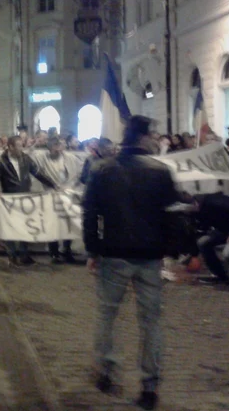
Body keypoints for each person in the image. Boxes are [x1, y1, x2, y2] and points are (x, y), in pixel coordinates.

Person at [83, 115, 181, 410]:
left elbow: (90, 214)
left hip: (114, 253)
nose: (157, 138)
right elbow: (170, 214)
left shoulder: (102, 169)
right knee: (151, 322)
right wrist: (168, 250)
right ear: (141, 136)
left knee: (107, 315)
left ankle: (106, 369)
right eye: (153, 134)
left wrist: (93, 250)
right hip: (149, 256)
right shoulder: (160, 170)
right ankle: (149, 385)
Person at [0, 136, 56, 265]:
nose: (21, 148)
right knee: (10, 228)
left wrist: (54, 185)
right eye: (18, 146)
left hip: (25, 198)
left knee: (25, 227)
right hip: (9, 200)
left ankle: (24, 255)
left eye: (22, 145)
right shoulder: (1, 162)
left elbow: (38, 173)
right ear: (10, 147)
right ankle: (12, 256)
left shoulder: (26, 159)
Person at [34, 137, 81, 263]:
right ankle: (53, 252)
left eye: (59, 146)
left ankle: (67, 249)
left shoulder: (70, 158)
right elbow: (34, 164)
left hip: (67, 193)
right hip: (51, 194)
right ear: (49, 148)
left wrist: (71, 186)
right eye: (54, 147)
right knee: (52, 224)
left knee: (68, 222)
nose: (58, 149)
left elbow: (78, 173)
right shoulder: (42, 158)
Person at [194, 192, 229, 286]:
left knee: (228, 254)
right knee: (203, 243)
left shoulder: (214, 202)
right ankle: (221, 276)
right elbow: (204, 227)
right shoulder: (197, 212)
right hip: (226, 230)